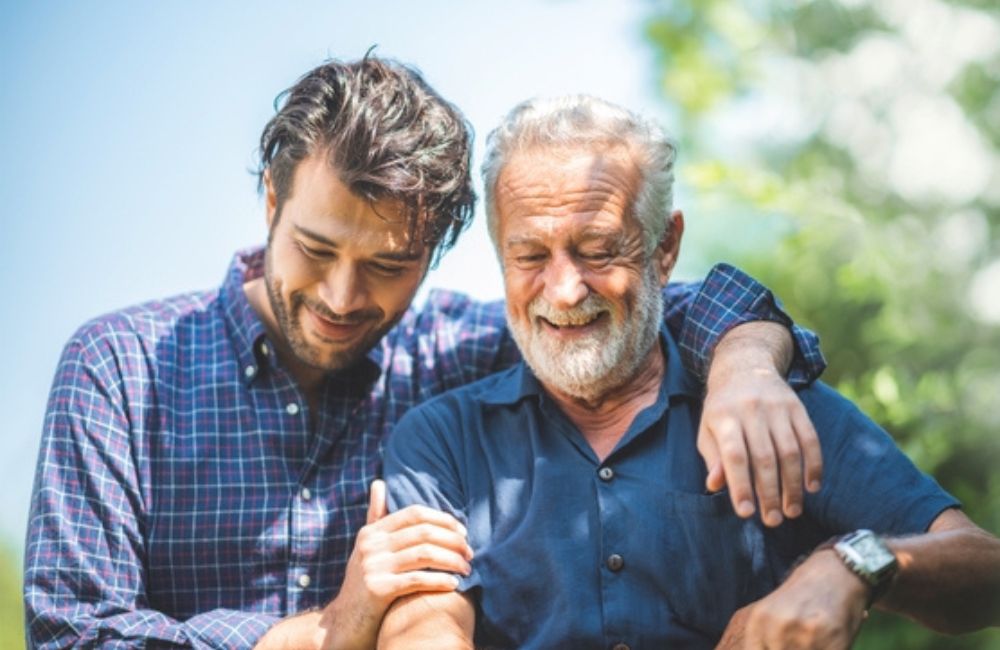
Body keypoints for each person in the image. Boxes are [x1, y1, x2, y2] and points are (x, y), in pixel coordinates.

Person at [23, 57, 825, 650]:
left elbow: (632, 307)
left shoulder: (458, 351)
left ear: (437, 252)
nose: (342, 298)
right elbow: (70, 636)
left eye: (386, 267)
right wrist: (318, 634)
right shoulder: (119, 369)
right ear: (271, 200)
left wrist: (746, 361)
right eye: (313, 249)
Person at [379, 95, 1000, 649]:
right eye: (530, 256)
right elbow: (423, 626)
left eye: (598, 250)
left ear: (665, 248)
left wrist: (852, 563)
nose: (564, 290)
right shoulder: (441, 440)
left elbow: (984, 570)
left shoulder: (767, 405)